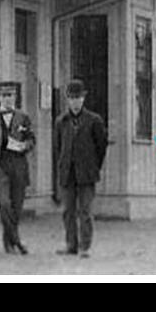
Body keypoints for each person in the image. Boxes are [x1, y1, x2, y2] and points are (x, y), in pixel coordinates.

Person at [0, 86, 36, 254]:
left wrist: (25, 145)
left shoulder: (23, 117)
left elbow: (31, 138)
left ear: (15, 97)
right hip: (0, 166)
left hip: (19, 165)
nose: (7, 99)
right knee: (4, 204)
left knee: (16, 207)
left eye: (10, 95)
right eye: (4, 96)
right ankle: (16, 240)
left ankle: (8, 242)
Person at [54, 78, 108, 258]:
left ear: (83, 99)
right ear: (67, 99)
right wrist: (62, 167)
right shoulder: (61, 121)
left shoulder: (94, 121)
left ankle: (85, 246)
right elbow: (57, 148)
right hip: (67, 173)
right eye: (71, 98)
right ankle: (71, 245)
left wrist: (93, 167)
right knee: (68, 211)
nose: (75, 101)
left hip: (87, 173)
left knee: (85, 211)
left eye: (78, 98)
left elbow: (101, 147)